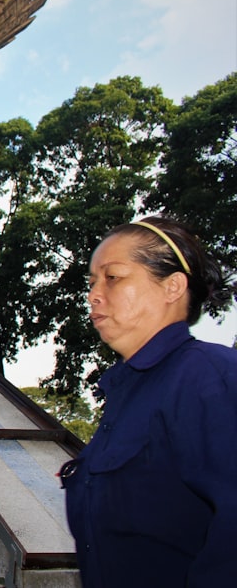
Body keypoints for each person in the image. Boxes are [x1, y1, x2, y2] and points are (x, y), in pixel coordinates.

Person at [61, 215, 237, 587]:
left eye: (113, 277)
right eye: (91, 282)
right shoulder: (123, 395)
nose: (94, 294)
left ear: (173, 286)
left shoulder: (209, 378)